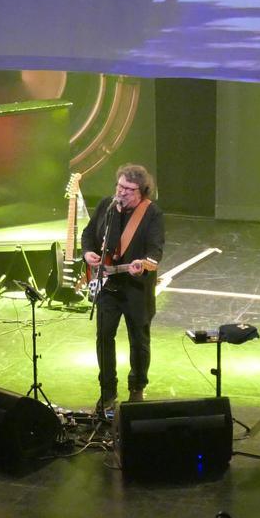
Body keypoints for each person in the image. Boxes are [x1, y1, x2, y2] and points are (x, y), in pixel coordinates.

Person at [81, 164, 164, 412]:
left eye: (128, 189)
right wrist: (88, 253)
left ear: (141, 191)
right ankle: (107, 391)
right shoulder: (107, 206)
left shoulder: (151, 214)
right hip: (108, 286)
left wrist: (143, 263)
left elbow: (155, 250)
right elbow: (88, 234)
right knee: (104, 338)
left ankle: (137, 388)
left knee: (139, 340)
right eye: (120, 186)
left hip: (136, 288)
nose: (122, 192)